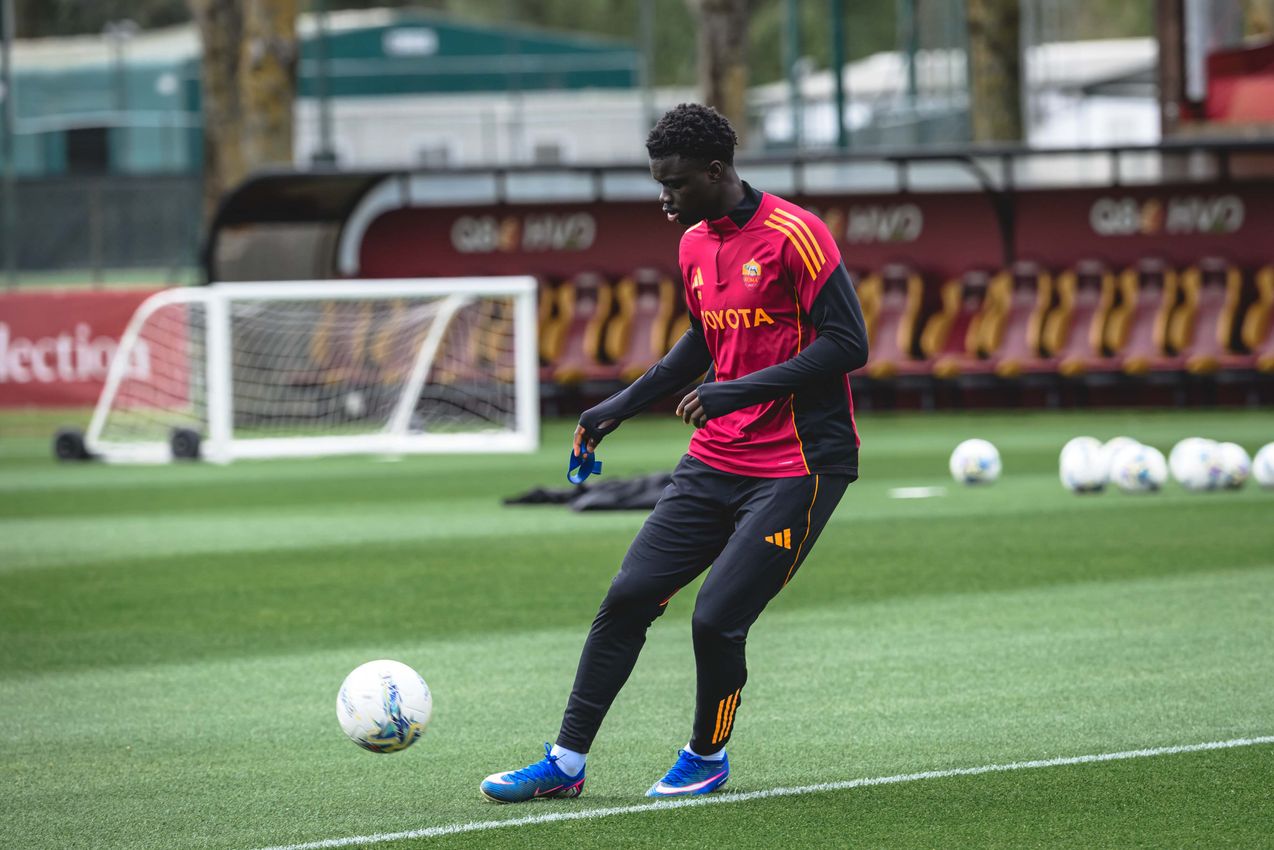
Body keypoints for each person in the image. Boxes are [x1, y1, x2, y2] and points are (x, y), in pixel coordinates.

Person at [480, 103, 868, 803]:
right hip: (716, 458)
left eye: (677, 183)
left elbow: (849, 345)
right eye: (660, 183)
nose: (666, 198)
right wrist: (617, 407)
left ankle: (706, 757)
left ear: (717, 171)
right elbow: (702, 342)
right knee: (627, 598)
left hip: (799, 465)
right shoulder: (694, 242)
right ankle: (565, 763)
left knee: (717, 619)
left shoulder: (796, 236)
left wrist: (736, 389)